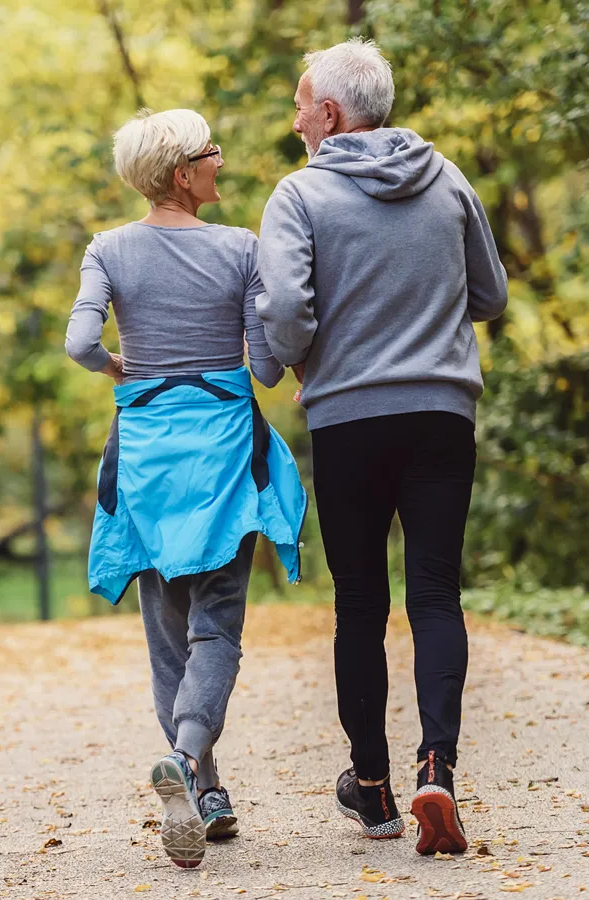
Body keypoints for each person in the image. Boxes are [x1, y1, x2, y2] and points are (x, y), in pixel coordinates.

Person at [256, 38, 508, 854]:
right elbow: (490, 294)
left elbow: (287, 313)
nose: (296, 122)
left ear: (330, 113)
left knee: (360, 602)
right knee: (435, 594)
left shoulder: (299, 195)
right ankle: (439, 765)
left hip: (349, 420)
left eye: (300, 107)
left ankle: (373, 789)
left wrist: (309, 360)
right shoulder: (450, 178)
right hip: (442, 412)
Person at [65, 109, 307, 869]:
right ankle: (191, 754)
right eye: (210, 152)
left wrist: (118, 368)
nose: (220, 160)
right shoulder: (240, 248)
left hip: (143, 457)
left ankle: (202, 786)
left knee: (167, 631)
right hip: (223, 454)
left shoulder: (107, 249)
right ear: (182, 173)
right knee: (218, 625)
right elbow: (267, 369)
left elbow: (78, 343)